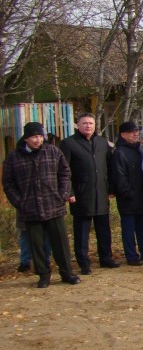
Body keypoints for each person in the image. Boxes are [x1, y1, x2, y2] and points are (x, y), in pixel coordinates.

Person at [3, 122, 80, 288]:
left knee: (60, 242)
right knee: (36, 245)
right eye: (33, 137)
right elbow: (8, 182)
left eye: (39, 136)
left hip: (54, 205)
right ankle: (43, 275)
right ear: (26, 138)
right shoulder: (14, 157)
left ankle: (67, 273)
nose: (37, 140)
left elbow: (65, 173)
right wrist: (19, 202)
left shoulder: (52, 151)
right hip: (29, 208)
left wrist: (62, 194)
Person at [60, 113, 118, 274]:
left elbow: (109, 167)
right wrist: (69, 191)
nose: (88, 126)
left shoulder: (101, 142)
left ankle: (106, 258)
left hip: (101, 192)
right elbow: (64, 170)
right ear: (77, 125)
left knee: (104, 229)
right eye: (85, 123)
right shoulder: (68, 144)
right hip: (81, 194)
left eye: (91, 123)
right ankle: (83, 263)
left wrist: (111, 188)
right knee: (82, 232)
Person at [111, 121, 143, 266]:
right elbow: (119, 176)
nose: (136, 134)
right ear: (123, 134)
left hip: (142, 196)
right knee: (129, 230)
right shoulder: (119, 152)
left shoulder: (139, 149)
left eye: (137, 131)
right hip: (129, 198)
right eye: (132, 132)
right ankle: (131, 256)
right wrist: (128, 193)